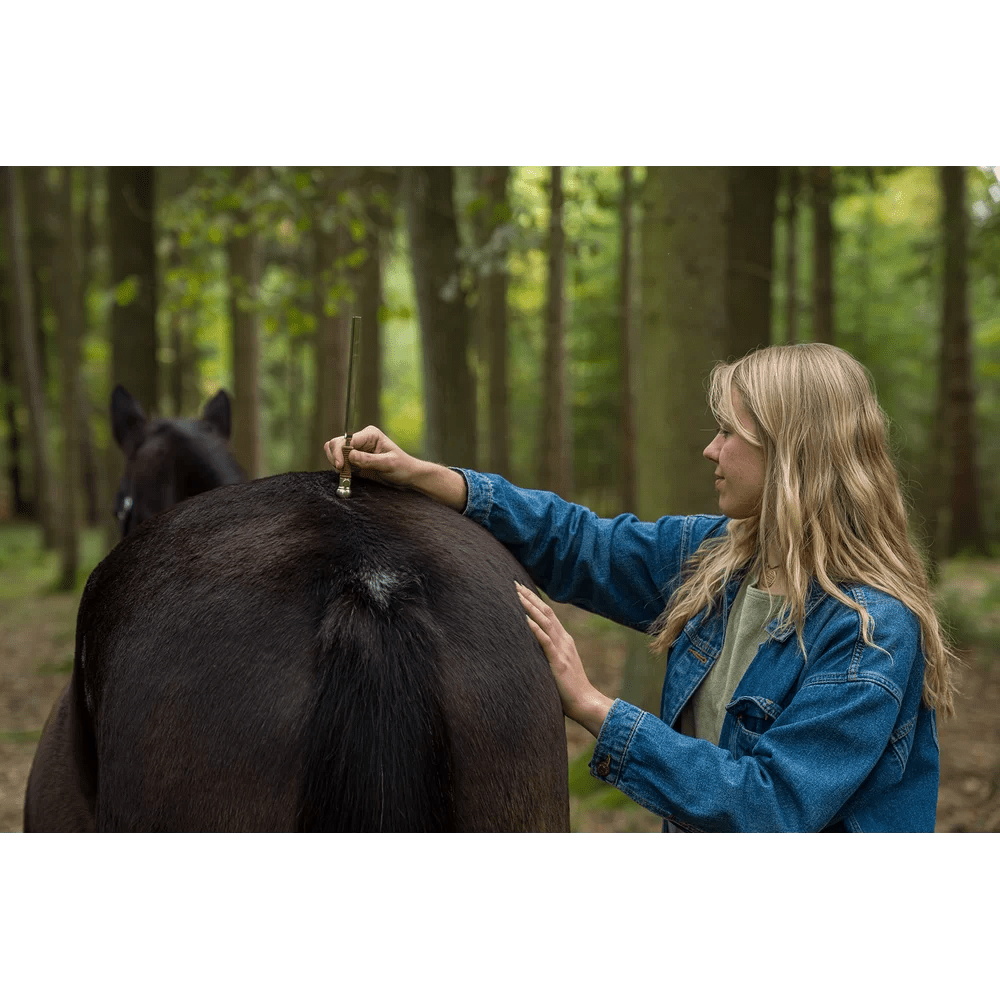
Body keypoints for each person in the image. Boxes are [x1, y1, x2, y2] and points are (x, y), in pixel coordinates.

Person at [325, 343, 957, 832]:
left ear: (792, 454)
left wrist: (591, 706)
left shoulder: (869, 632)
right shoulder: (720, 558)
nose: (710, 449)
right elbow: (582, 543)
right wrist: (432, 478)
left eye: (730, 433)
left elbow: (770, 808)